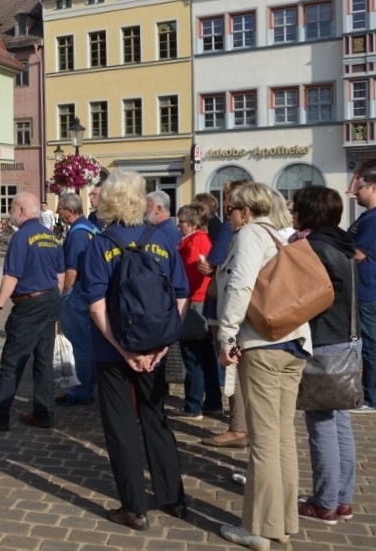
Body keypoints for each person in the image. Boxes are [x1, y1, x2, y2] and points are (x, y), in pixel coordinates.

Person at [78, 172, 189, 530]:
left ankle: (134, 507)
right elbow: (181, 296)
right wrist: (163, 344)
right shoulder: (162, 240)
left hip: (113, 352)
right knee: (157, 419)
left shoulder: (99, 244)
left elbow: (96, 307)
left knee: (121, 425)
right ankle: (172, 498)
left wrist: (124, 351)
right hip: (154, 347)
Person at [216, 183, 313, 550]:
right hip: (292, 344)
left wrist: (226, 337)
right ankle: (283, 521)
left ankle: (259, 527)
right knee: (283, 436)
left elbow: (240, 287)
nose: (229, 216)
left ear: (243, 210)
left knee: (263, 441)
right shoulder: (276, 235)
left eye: (230, 210)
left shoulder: (250, 235)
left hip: (263, 344)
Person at [0, 191, 64, 432]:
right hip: (50, 298)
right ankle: (44, 413)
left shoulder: (21, 237)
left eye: (11, 207)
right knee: (43, 360)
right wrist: (54, 299)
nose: (9, 211)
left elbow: (11, 276)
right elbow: (60, 274)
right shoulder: (51, 236)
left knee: (13, 360)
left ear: (21, 211)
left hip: (30, 304)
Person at [292, 186, 358, 525]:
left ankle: (324, 502)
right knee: (341, 423)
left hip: (324, 343)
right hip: (347, 340)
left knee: (321, 425)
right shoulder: (342, 243)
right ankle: (343, 498)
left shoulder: (315, 247)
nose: (293, 212)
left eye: (297, 208)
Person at [199, 178, 251, 450]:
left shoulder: (239, 232)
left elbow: (217, 264)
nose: (226, 207)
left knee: (233, 368)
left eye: (229, 203)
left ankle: (239, 427)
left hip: (230, 308)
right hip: (240, 310)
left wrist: (208, 268)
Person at [348, 173, 376, 413]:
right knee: (366, 343)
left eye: (360, 188)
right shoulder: (368, 216)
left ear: (374, 187)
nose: (355, 193)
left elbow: (359, 253)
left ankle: (370, 399)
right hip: (363, 287)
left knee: (370, 345)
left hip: (368, 288)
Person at [173, 202, 221, 420]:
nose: (179, 225)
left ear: (192, 223)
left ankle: (193, 405)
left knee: (192, 356)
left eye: (181, 221)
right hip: (201, 302)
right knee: (206, 355)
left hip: (194, 303)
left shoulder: (194, 243)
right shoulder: (201, 240)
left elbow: (189, 278)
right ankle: (212, 401)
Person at [54, 192, 98, 406]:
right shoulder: (89, 228)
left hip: (77, 295)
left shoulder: (78, 234)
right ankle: (88, 385)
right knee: (87, 344)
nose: (57, 213)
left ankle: (81, 392)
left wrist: (62, 296)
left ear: (70, 211)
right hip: (88, 293)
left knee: (79, 345)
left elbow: (72, 272)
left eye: (60, 209)